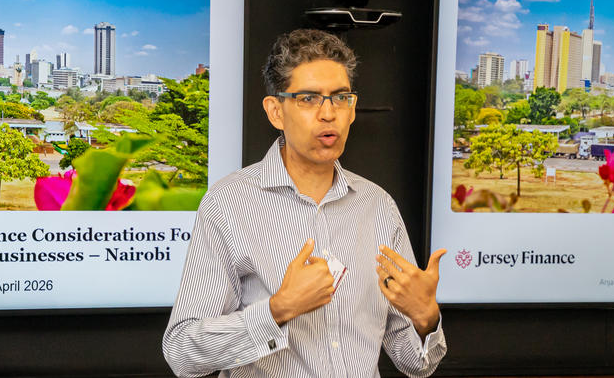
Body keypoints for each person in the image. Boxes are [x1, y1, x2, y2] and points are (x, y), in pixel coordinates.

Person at [163, 29, 447, 377]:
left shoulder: (378, 207)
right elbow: (181, 350)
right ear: (275, 112)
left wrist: (425, 317)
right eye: (309, 99)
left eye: (340, 98)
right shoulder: (229, 203)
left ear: (352, 109)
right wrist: (277, 310)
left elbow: (416, 363)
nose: (329, 114)